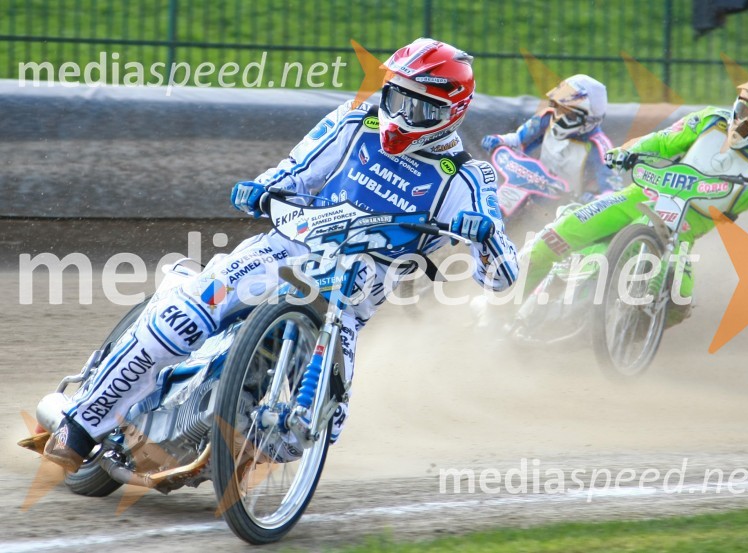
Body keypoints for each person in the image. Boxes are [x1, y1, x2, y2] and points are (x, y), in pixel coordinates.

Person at [43, 38, 519, 473]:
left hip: (346, 302)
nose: (403, 114)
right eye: (398, 98)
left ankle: (226, 442)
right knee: (183, 316)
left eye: (420, 107)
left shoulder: (466, 179)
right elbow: (292, 174)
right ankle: (82, 423)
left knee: (317, 428)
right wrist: (263, 189)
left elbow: (501, 277)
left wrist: (486, 236)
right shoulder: (353, 122)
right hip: (282, 250)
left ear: (450, 113)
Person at [523, 75, 748, 324]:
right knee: (556, 235)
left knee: (680, 301)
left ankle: (628, 338)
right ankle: (503, 303)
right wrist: (626, 152)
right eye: (744, 110)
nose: (745, 121)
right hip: (639, 196)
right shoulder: (712, 119)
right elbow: (663, 141)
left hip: (682, 230)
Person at [480, 74, 619, 203]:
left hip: (569, 206)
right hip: (531, 186)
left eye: (567, 113)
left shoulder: (601, 147)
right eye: (558, 108)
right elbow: (517, 139)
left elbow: (613, 190)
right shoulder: (546, 118)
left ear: (588, 119)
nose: (558, 116)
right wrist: (498, 140)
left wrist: (594, 199)